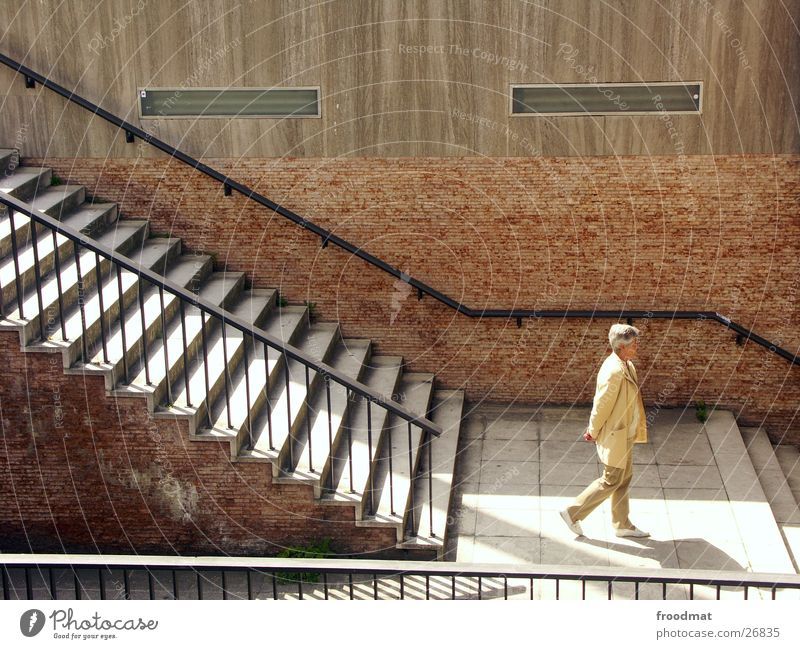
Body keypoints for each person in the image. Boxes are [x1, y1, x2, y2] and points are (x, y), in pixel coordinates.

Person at [559, 323, 650, 538]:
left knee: (624, 478)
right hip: (615, 435)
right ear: (621, 346)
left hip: (625, 433)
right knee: (611, 479)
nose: (636, 347)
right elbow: (601, 405)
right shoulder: (615, 371)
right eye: (633, 344)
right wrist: (593, 429)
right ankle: (573, 513)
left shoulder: (627, 365)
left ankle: (622, 524)